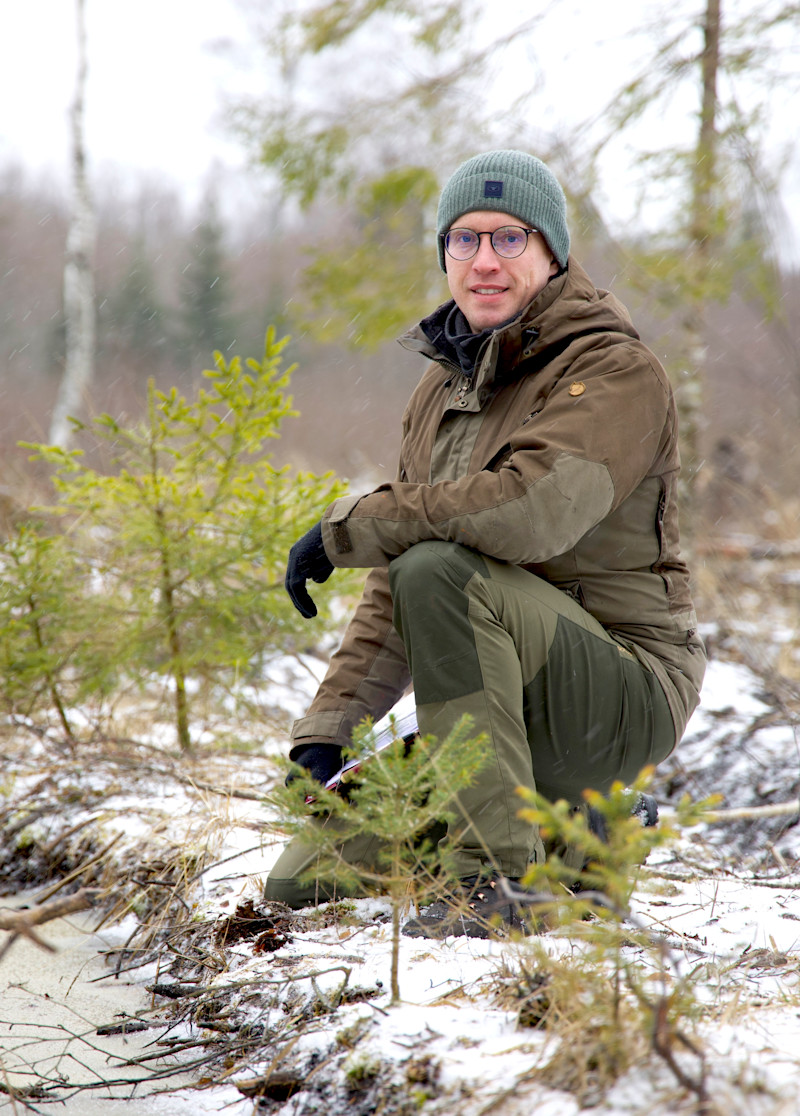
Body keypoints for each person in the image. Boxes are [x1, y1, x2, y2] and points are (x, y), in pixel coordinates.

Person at [266, 149, 706, 937]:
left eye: (509, 238)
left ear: (552, 252)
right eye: (464, 240)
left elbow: (531, 514)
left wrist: (354, 526)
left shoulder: (614, 370)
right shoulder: (443, 387)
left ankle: (495, 882)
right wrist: (328, 730)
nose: (485, 261)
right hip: (499, 700)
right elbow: (398, 583)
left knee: (441, 567)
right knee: (305, 878)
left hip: (620, 690)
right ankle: (582, 832)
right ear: (444, 254)